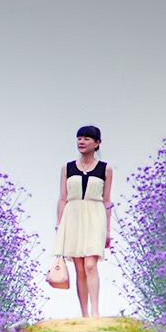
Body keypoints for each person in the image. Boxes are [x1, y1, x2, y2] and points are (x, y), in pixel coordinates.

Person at [55, 125, 113, 318]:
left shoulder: (106, 168)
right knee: (79, 268)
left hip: (95, 215)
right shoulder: (68, 167)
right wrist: (59, 225)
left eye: (87, 139)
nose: (82, 142)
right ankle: (84, 314)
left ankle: (96, 311)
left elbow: (107, 200)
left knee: (90, 264)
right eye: (79, 138)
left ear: (97, 143)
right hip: (73, 216)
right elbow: (62, 198)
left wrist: (108, 229)